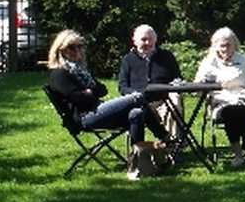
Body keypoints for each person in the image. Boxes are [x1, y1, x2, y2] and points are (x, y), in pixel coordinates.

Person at [47, 30, 160, 178]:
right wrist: (89, 93)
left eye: (80, 47)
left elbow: (103, 89)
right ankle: (165, 137)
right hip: (86, 118)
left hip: (98, 110)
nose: (77, 51)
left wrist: (89, 92)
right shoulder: (59, 74)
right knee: (136, 97)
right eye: (72, 47)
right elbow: (78, 98)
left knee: (137, 113)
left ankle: (137, 162)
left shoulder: (80, 71)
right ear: (61, 50)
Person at [195, 27, 245, 169]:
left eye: (228, 45)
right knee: (231, 112)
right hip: (221, 101)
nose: (225, 49)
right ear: (216, 46)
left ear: (234, 45)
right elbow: (198, 85)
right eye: (222, 45)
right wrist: (204, 83)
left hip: (244, 99)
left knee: (242, 111)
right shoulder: (208, 63)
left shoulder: (243, 60)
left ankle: (244, 153)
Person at [118, 24, 182, 139]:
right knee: (138, 111)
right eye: (143, 40)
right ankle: (146, 149)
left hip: (164, 101)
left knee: (175, 100)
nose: (147, 43)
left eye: (150, 39)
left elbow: (177, 79)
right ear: (135, 41)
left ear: (155, 39)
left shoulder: (167, 56)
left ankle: (172, 146)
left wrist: (173, 88)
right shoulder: (128, 60)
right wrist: (136, 95)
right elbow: (122, 87)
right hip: (140, 102)